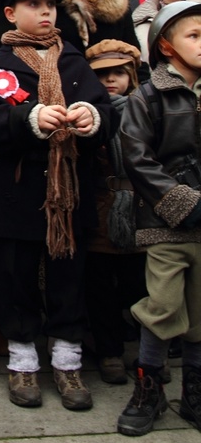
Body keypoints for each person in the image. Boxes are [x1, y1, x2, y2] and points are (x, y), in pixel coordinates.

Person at [0, 0, 117, 412]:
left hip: (69, 193)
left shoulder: (73, 60)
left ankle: (68, 363)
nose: (45, 12)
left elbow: (104, 108)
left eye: (50, 5)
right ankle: (23, 360)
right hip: (19, 192)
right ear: (11, 13)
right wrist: (27, 120)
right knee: (16, 276)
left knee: (70, 275)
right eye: (34, 5)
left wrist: (91, 116)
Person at [117, 1, 201, 436]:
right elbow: (138, 158)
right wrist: (182, 201)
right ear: (166, 46)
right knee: (163, 307)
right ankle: (148, 390)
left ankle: (194, 394)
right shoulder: (148, 97)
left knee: (200, 312)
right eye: (195, 35)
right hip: (166, 224)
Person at [84, 39, 147, 385]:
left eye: (118, 73)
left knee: (140, 286)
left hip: (139, 209)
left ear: (131, 75)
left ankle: (147, 353)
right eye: (102, 74)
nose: (111, 80)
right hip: (99, 209)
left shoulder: (144, 109)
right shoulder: (89, 112)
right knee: (100, 288)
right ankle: (108, 351)